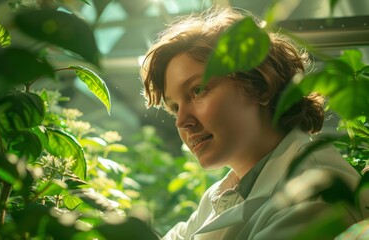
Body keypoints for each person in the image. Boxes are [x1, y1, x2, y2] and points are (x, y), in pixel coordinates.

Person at [139, 6, 369, 240]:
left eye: (197, 90)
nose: (181, 121)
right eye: (175, 107)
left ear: (260, 85)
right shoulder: (224, 194)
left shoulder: (316, 193)